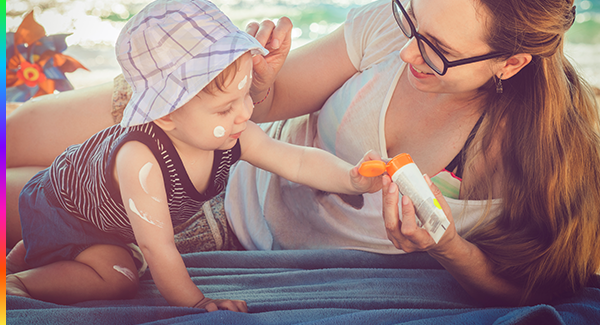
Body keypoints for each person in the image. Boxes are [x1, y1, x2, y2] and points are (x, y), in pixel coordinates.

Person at [6, 0, 600, 307]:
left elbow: (537, 282)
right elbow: (270, 107)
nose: (407, 50)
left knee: (39, 218)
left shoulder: (553, 150)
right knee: (17, 142)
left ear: (511, 63)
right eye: (411, 19)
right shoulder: (390, 30)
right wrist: (259, 86)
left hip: (208, 213)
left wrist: (448, 248)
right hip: (204, 126)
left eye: (436, 50)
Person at [5, 0, 381, 311]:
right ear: (166, 114)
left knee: (80, 257)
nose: (245, 113)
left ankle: (22, 259)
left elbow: (296, 161)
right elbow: (157, 246)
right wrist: (196, 303)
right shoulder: (142, 159)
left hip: (98, 215)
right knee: (118, 279)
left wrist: (351, 177)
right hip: (64, 211)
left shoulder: (232, 134)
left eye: (246, 95)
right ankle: (17, 284)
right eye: (224, 108)